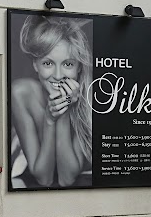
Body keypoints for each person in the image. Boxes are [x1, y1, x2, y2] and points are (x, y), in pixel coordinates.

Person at [10, 15, 92, 188]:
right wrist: (49, 120)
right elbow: (44, 178)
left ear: (78, 67)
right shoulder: (20, 94)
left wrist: (63, 111)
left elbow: (66, 179)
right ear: (35, 65)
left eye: (68, 64)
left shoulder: (88, 98)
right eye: (48, 63)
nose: (58, 75)